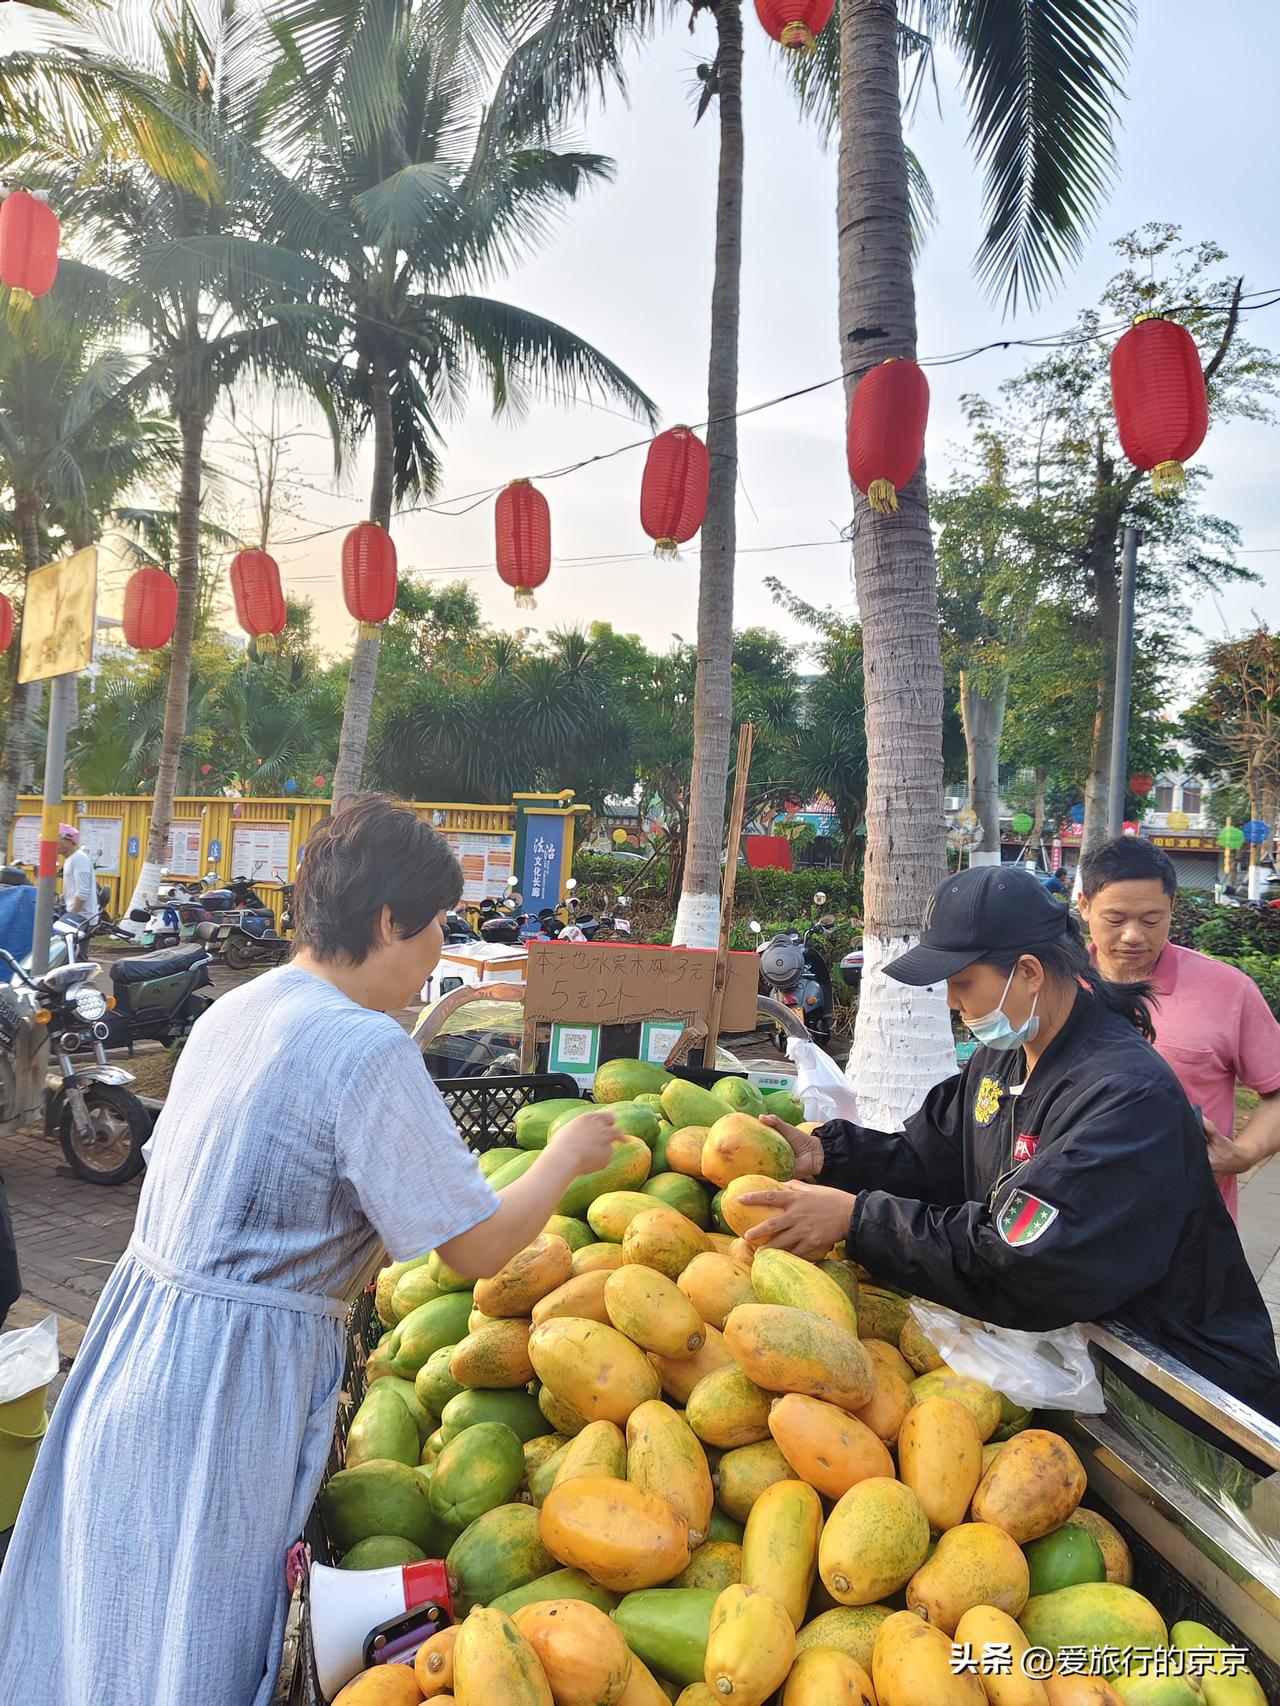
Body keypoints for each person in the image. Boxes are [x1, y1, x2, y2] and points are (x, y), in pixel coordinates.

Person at [0, 794, 622, 1706]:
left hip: (130, 1355)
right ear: (387, 920)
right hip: (228, 1394)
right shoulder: (364, 1047)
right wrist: (564, 1158)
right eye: (438, 924)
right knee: (195, 1641)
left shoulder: (237, 1007)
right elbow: (476, 1250)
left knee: (111, 1623)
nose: (441, 948)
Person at [740, 864, 1280, 1424]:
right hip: (1077, 1365)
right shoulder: (1002, 1057)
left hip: (1177, 1393)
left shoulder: (1125, 1098)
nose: (951, 1001)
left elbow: (1021, 1259)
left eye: (962, 981)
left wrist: (859, 1220)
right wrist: (833, 1156)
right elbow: (934, 1157)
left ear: (1028, 972)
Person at [1078, 836, 1280, 1222]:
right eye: (1115, 919)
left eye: (1152, 919)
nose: (1133, 935)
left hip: (1190, 1235)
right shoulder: (1056, 987)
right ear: (1085, 906)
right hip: (1071, 1230)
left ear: (1172, 906)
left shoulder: (1227, 990)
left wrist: (1247, 1153)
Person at [57, 824, 98, 924]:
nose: (55, 843)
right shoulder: (69, 859)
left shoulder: (79, 858)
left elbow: (83, 892)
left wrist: (71, 916)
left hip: (81, 918)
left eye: (58, 839)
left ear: (70, 840)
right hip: (76, 915)